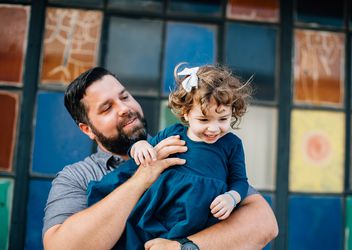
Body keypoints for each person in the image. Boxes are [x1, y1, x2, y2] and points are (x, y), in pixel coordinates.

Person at [42, 66, 278, 250]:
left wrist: (184, 246)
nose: (124, 108)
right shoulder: (77, 178)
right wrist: (142, 178)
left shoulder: (194, 146)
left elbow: (263, 224)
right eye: (107, 108)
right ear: (87, 130)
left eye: (124, 97)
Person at [87, 64, 251, 249]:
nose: (213, 128)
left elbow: (240, 180)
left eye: (223, 119)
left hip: (202, 217)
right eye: (203, 120)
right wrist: (139, 145)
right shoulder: (173, 133)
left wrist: (232, 197)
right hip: (163, 208)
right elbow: (145, 151)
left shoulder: (231, 144)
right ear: (186, 114)